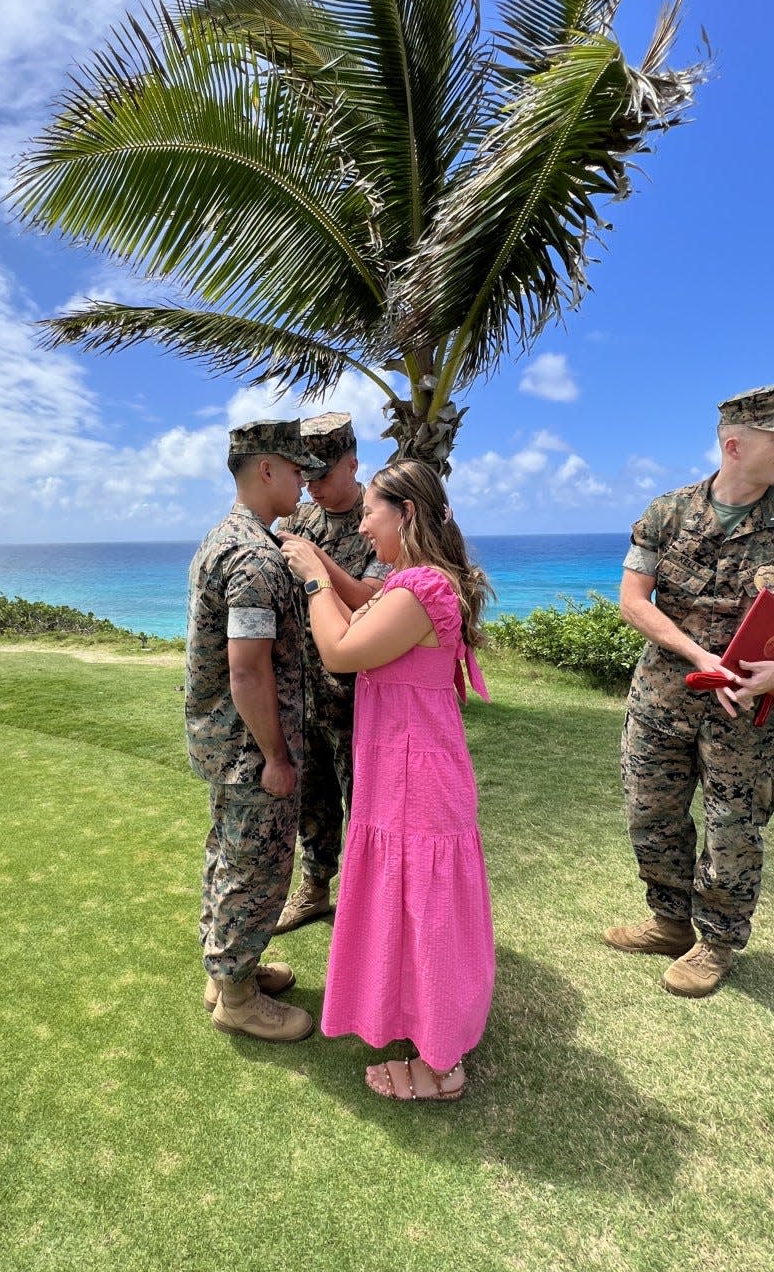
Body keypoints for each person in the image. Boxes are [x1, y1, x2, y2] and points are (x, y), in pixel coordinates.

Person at [282, 459, 494, 1100]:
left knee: (424, 907)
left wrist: (316, 581)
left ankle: (442, 1069)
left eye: (372, 511)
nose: (364, 523)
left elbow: (342, 651)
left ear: (404, 513)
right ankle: (423, 1021)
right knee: (415, 904)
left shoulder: (421, 589)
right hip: (406, 763)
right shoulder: (415, 582)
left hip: (414, 770)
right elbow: (365, 599)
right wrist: (327, 566)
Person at [603, 383, 774, 997]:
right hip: (662, 697)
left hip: (747, 712)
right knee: (652, 812)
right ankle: (671, 922)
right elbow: (632, 599)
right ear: (735, 444)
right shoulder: (667, 512)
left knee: (734, 825)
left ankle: (717, 942)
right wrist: (698, 654)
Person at [185, 418, 324, 1042]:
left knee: (227, 853)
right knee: (257, 866)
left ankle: (227, 970)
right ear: (265, 469)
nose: (303, 478)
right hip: (250, 746)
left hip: (224, 741)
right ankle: (238, 999)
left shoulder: (224, 538)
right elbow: (247, 669)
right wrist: (276, 755)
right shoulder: (254, 558)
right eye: (294, 468)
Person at [273, 412, 391, 934]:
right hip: (303, 691)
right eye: (307, 476)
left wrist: (318, 563)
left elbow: (376, 598)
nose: (313, 487)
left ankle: (367, 902)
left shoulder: (382, 518)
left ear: (353, 464)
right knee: (312, 798)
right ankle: (316, 887)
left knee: (365, 800)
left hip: (361, 696)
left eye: (323, 475)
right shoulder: (297, 521)